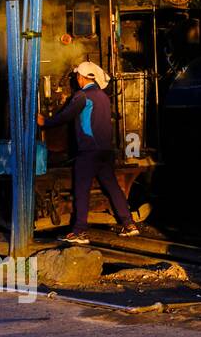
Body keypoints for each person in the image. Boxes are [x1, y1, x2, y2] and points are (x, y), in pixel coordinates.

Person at [37, 61, 139, 244]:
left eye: (77, 76)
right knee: (112, 187)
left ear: (81, 77)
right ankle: (129, 224)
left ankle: (79, 231)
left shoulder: (82, 96)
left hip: (89, 151)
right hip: (105, 151)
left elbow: (66, 115)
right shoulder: (103, 96)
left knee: (81, 190)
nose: (76, 79)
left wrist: (45, 122)